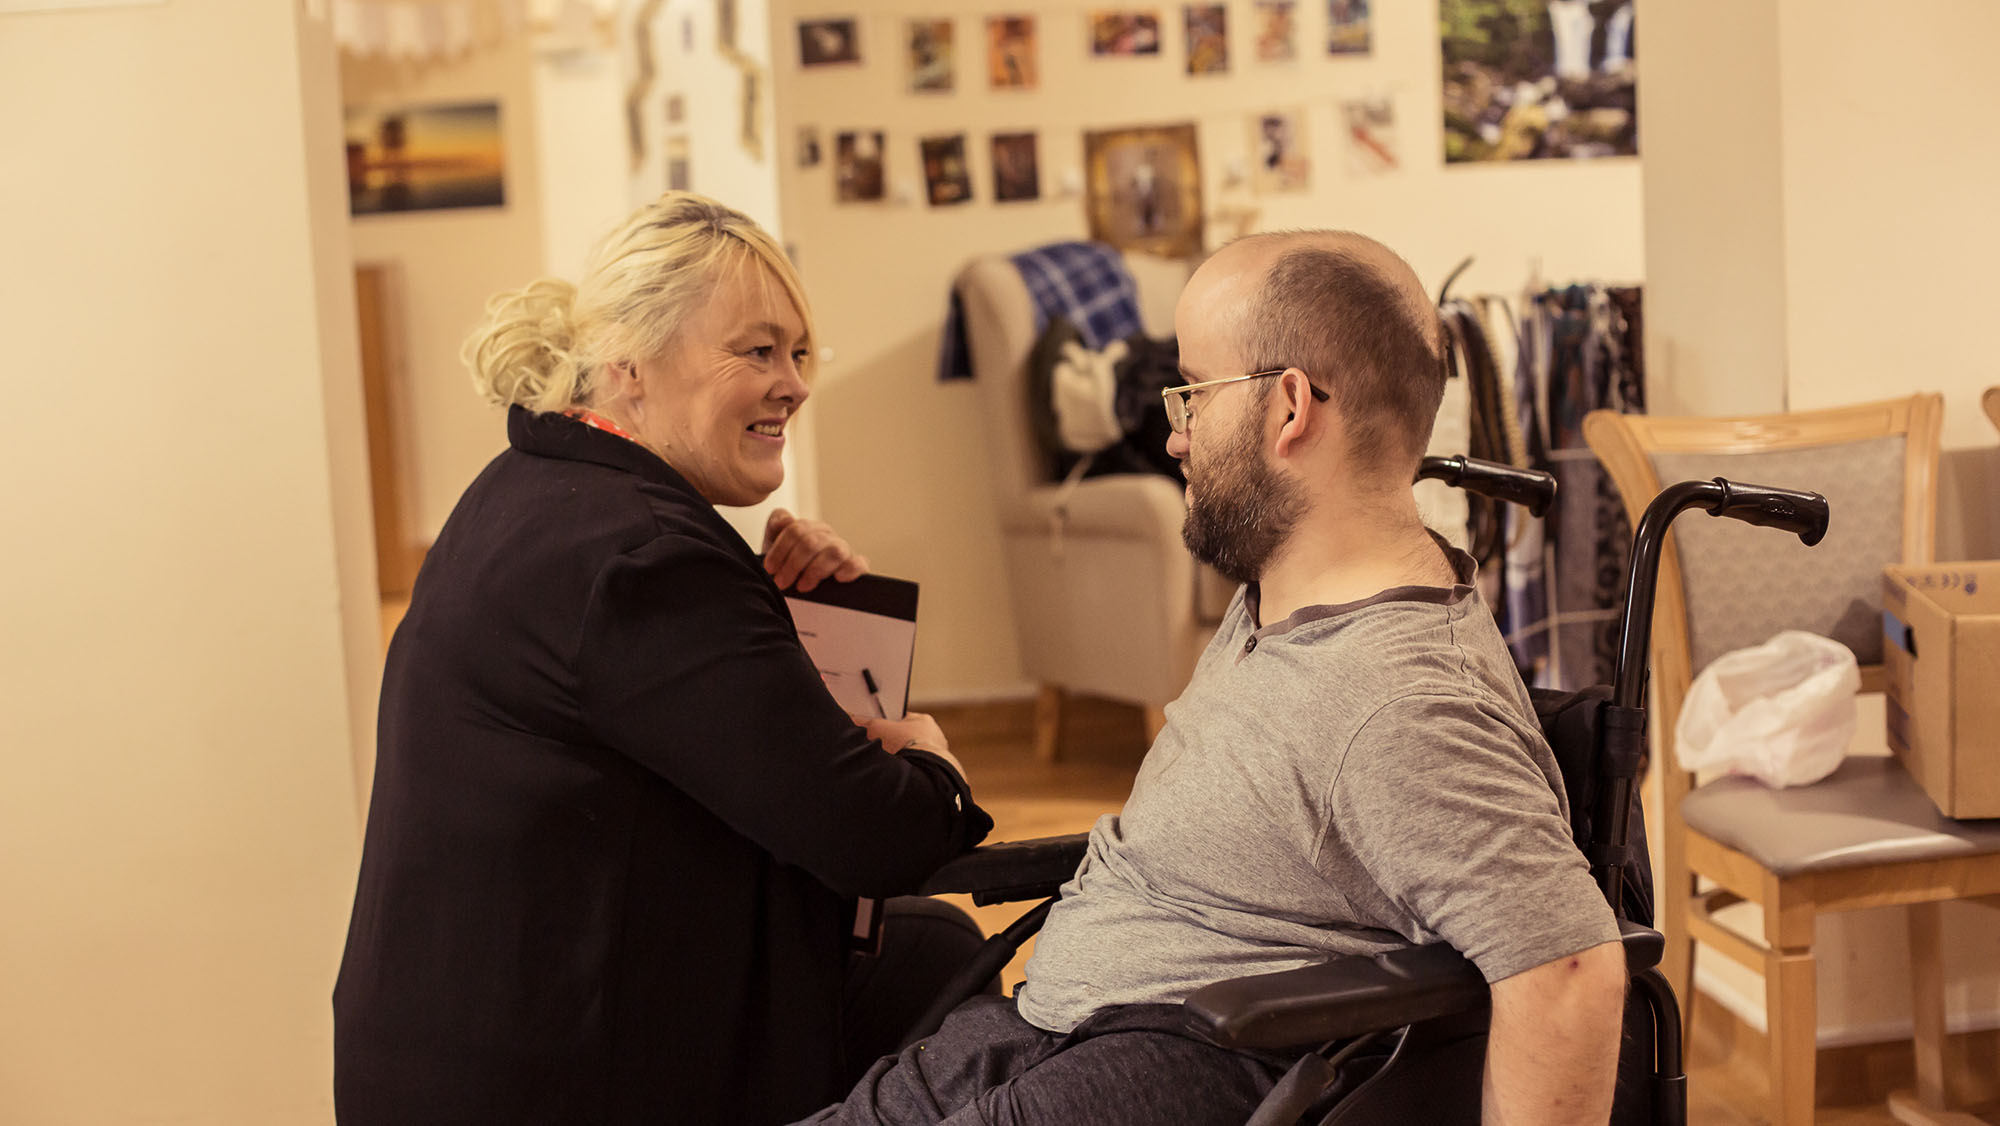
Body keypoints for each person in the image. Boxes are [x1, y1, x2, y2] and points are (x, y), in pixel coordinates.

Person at [801, 231, 1627, 1126]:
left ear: (1289, 408)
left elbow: (1570, 972)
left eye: (1191, 391)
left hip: (1179, 1057)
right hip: (1057, 1024)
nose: (1174, 432)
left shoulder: (1401, 700)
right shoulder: (1282, 591)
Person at [333, 192, 994, 1125]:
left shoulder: (537, 487)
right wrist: (934, 764)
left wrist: (796, 611)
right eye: (757, 351)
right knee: (963, 988)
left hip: (467, 1045)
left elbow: (700, 742)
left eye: (800, 353)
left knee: (926, 954)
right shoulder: (647, 556)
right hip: (551, 1080)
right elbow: (875, 836)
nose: (795, 383)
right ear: (628, 367)